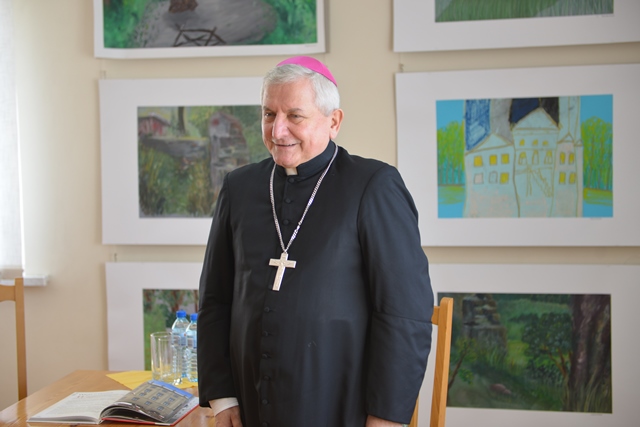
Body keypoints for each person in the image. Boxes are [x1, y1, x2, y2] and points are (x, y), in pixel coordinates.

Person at [197, 56, 434, 427]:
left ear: (333, 121)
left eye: (294, 116)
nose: (278, 130)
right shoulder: (239, 188)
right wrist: (222, 397)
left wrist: (386, 417)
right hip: (249, 406)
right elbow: (215, 298)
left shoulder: (373, 186)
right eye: (269, 114)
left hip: (340, 407)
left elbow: (404, 313)